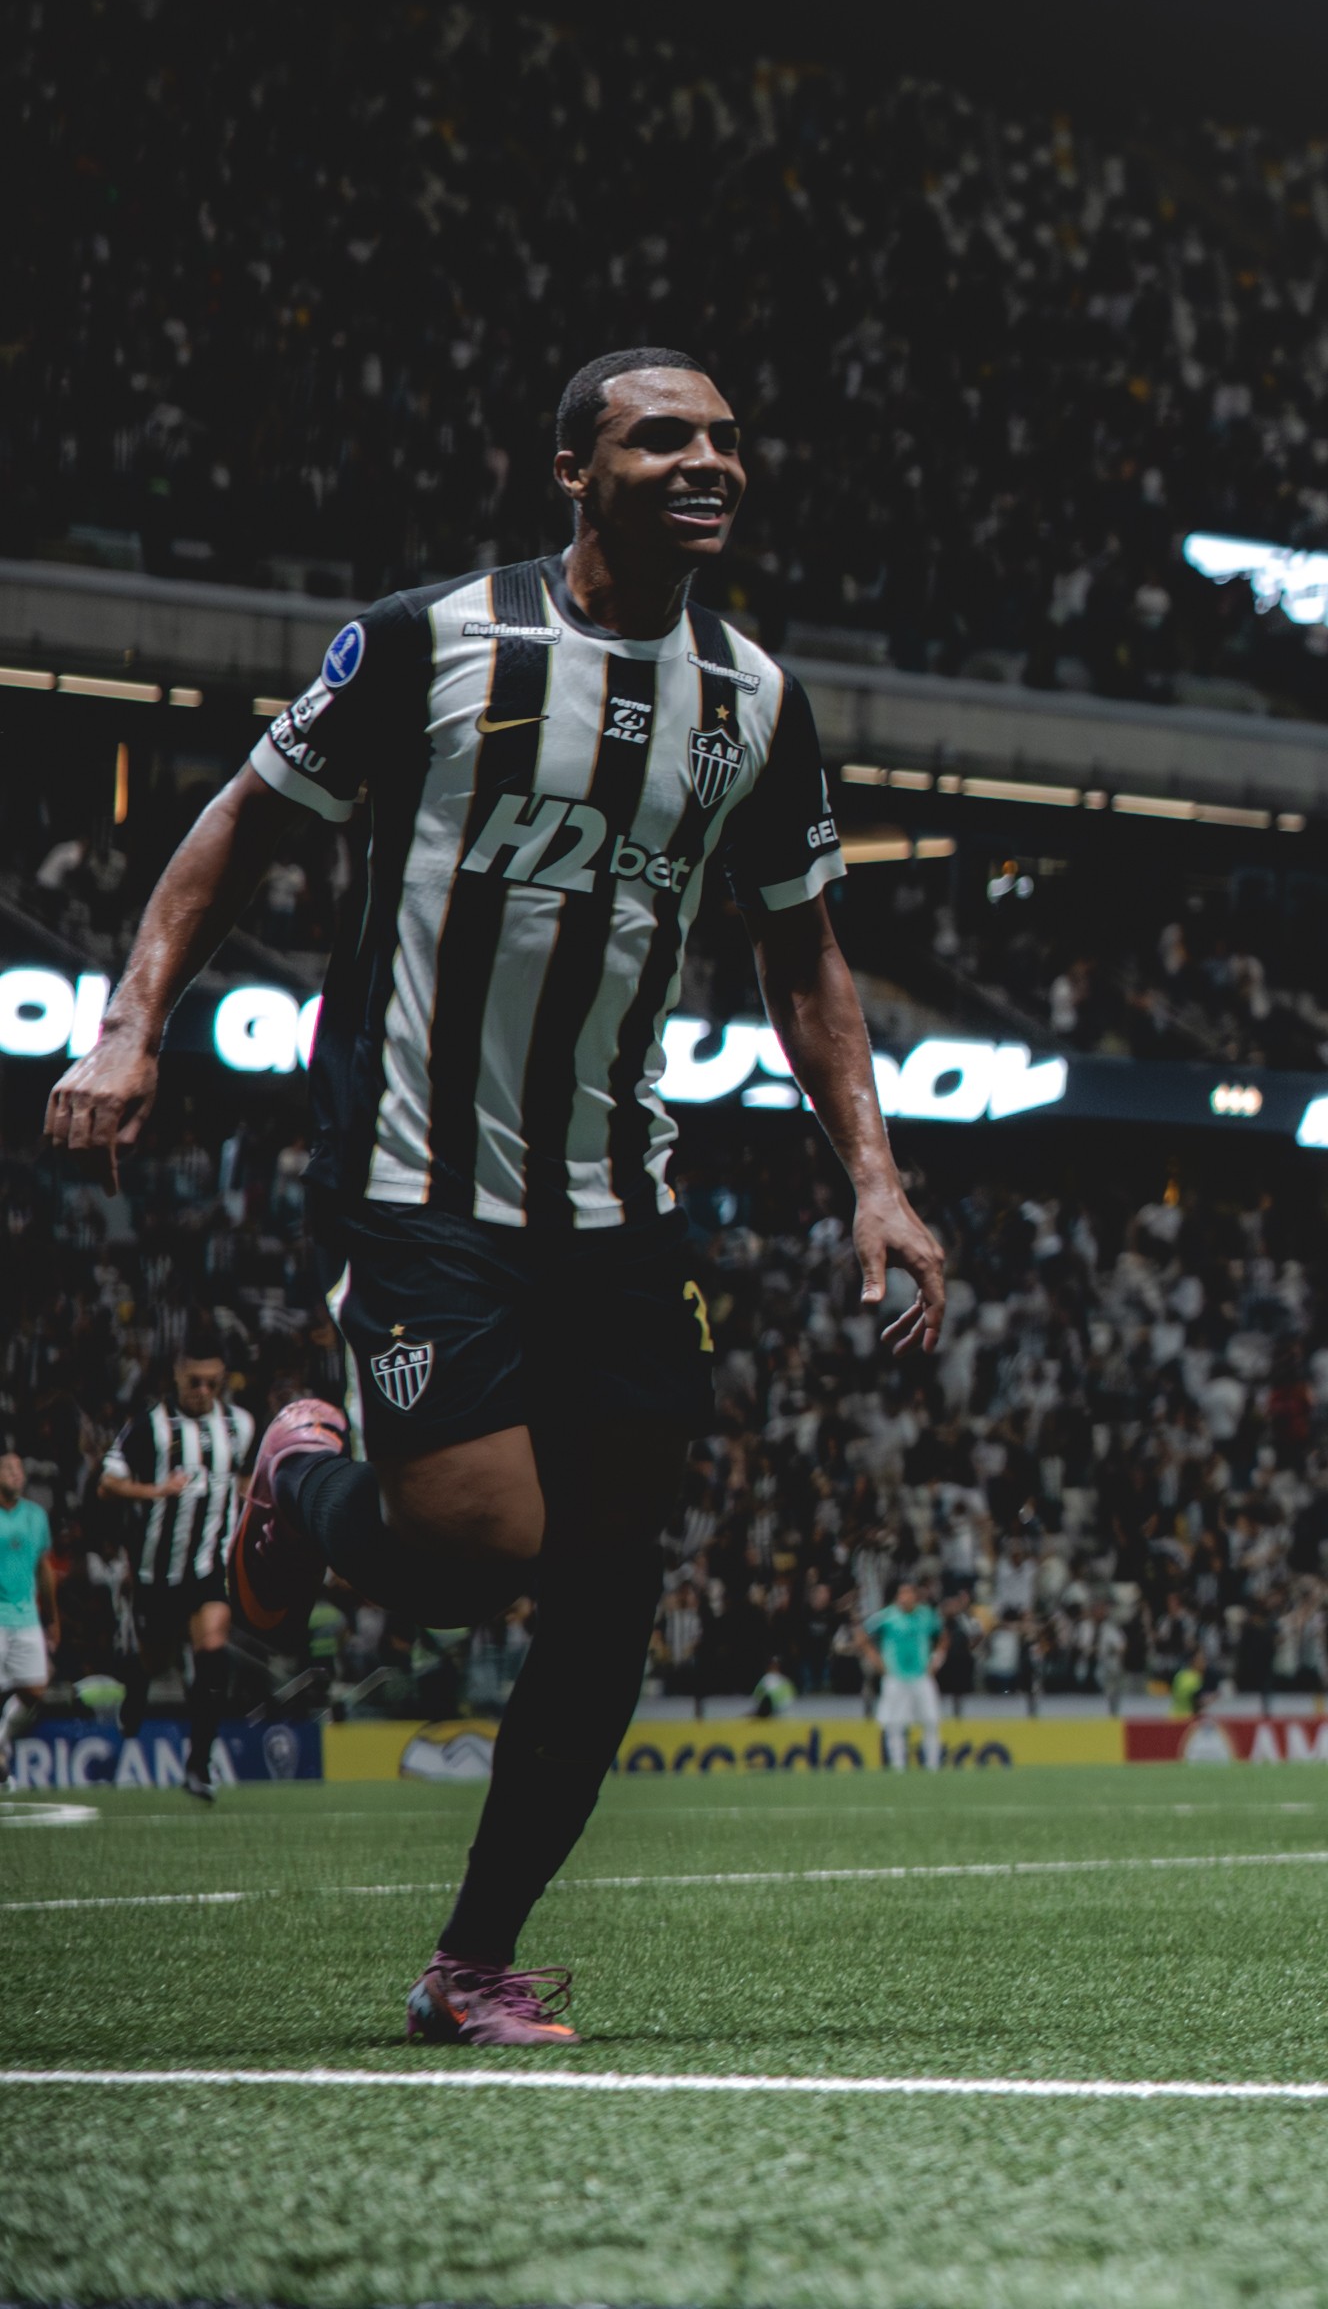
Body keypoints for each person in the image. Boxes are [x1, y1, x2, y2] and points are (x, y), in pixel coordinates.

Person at [52, 344, 949, 2046]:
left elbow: (803, 948)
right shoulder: (430, 642)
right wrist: (131, 1021)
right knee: (474, 1550)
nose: (708, 461)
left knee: (613, 1585)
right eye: (662, 437)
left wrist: (876, 1180)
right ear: (572, 470)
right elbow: (243, 820)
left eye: (727, 438)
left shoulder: (755, 698)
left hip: (622, 1197)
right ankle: (300, 1472)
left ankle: (472, 1958)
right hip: (418, 1173)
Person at [102, 1346, 261, 1804]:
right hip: (157, 1570)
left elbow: (245, 1478)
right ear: (177, 1376)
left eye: (213, 1383)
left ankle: (199, 1765)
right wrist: (156, 1490)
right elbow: (108, 1483)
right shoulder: (149, 1426)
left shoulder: (241, 1425)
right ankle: (137, 1688)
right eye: (195, 1382)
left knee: (212, 1652)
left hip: (211, 1566)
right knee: (155, 1659)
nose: (203, 1391)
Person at [0, 1445, 50, 1771]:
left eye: (19, 1470)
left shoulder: (36, 1516)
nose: (17, 1475)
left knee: (34, 1690)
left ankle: (1, 1737)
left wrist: (52, 1618)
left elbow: (44, 1568)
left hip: (27, 1616)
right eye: (9, 1469)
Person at [870, 1577, 946, 1774]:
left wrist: (936, 1660)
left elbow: (943, 1636)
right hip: (895, 1677)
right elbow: (862, 1635)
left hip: (921, 1676)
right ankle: (898, 1766)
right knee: (894, 1723)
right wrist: (878, 1663)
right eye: (902, 1593)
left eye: (908, 1593)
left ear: (915, 1596)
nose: (905, 1597)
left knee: (931, 1720)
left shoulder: (926, 1615)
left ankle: (933, 1766)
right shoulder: (887, 1616)